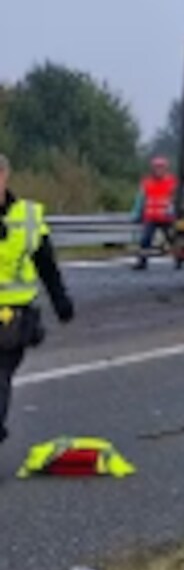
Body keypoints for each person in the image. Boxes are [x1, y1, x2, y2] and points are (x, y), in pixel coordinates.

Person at [0, 153, 76, 447]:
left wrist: (60, 301)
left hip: (13, 318)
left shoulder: (28, 217)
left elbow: (46, 264)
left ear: (6, 176)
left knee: (1, 373)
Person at [132, 154, 179, 270]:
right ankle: (142, 262)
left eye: (161, 167)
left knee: (172, 239)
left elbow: (177, 198)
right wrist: (137, 214)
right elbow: (140, 199)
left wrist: (176, 213)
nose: (158, 170)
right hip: (150, 217)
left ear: (165, 169)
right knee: (145, 240)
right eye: (156, 167)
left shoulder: (172, 181)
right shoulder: (146, 182)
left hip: (166, 217)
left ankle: (178, 259)